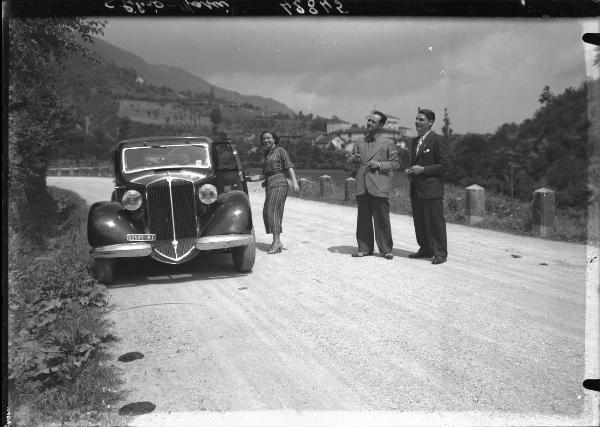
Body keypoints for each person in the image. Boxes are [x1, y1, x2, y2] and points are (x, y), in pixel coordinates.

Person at [347, 110, 400, 259]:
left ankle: (386, 249)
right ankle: (364, 248)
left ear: (381, 125)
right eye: (369, 120)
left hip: (379, 185)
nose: (369, 123)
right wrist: (353, 159)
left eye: (373, 121)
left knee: (382, 219)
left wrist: (379, 164)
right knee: (363, 219)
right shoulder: (358, 142)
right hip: (362, 185)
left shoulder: (388, 143)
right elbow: (350, 163)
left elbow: (395, 163)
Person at [404, 109, 449, 265]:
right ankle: (425, 249)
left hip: (432, 189)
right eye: (416, 119)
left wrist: (423, 170)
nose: (417, 122)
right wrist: (410, 170)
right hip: (417, 189)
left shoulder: (438, 140)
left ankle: (440, 253)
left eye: (421, 119)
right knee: (420, 221)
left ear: (430, 122)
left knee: (435, 222)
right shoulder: (415, 141)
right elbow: (416, 163)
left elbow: (444, 166)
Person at [260, 131, 300, 254]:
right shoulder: (267, 154)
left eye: (268, 138)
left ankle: (276, 242)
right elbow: (263, 174)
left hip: (279, 182)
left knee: (273, 210)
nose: (265, 140)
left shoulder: (280, 150)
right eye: (263, 139)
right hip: (270, 183)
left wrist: (295, 182)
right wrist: (247, 178)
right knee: (267, 211)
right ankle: (277, 241)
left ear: (274, 139)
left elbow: (289, 166)